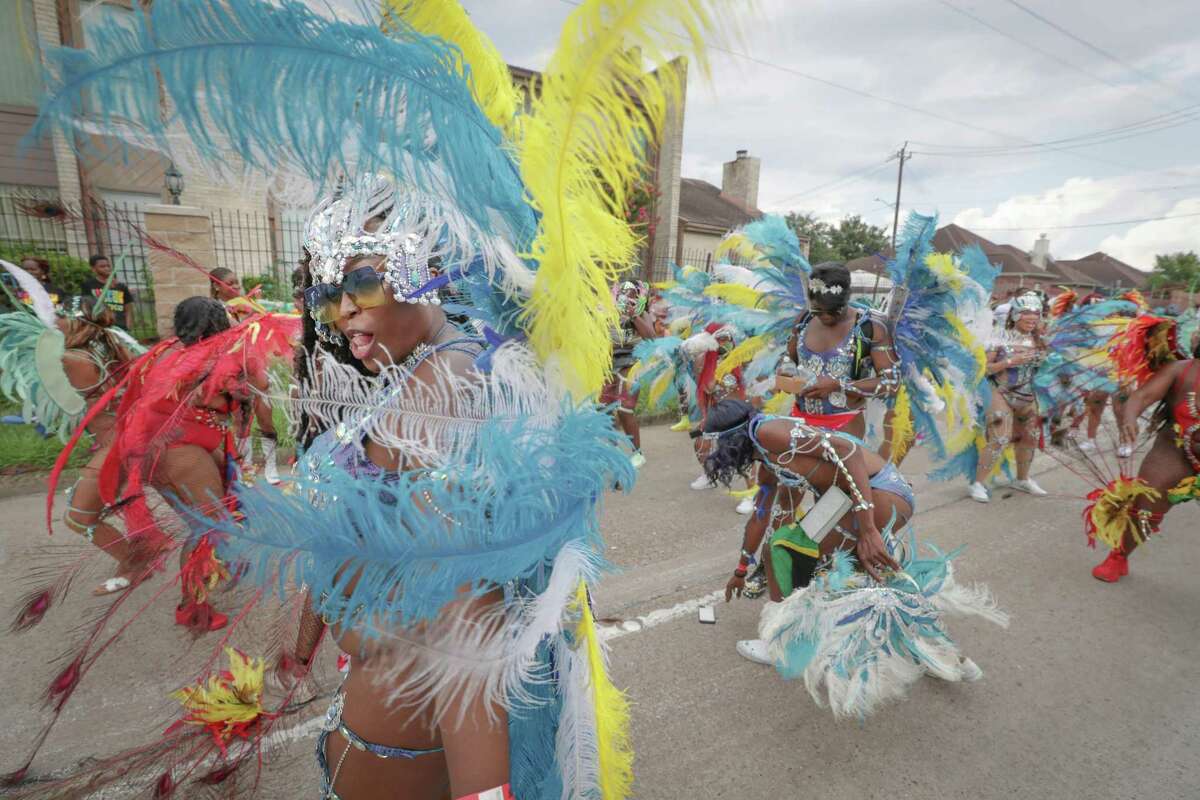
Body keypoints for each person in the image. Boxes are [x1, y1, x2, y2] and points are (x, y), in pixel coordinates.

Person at [703, 399, 1002, 717]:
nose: (714, 451)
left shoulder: (767, 432)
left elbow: (847, 449)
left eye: (716, 442)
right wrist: (740, 568)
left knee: (789, 552)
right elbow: (761, 516)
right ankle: (945, 656)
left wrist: (868, 527)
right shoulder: (766, 456)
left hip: (878, 495)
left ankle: (783, 646)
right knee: (859, 578)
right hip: (845, 500)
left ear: (731, 437)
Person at [1090, 351, 1200, 582]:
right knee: (1145, 508)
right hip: (1175, 449)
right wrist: (1130, 418)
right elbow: (1142, 396)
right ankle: (1119, 556)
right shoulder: (1181, 369)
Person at [779, 261, 898, 441]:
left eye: (834, 310)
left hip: (845, 427)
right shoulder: (804, 319)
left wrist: (839, 385)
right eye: (818, 310)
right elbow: (789, 357)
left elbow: (892, 383)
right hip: (799, 422)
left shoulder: (870, 327)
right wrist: (786, 370)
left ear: (848, 297)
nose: (825, 316)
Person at [969, 292, 1049, 502]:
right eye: (1026, 313)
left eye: (1035, 313)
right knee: (1000, 437)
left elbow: (1047, 370)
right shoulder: (997, 338)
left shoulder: (1040, 340)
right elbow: (984, 369)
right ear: (1015, 315)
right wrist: (1010, 362)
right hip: (1000, 392)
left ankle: (1022, 479)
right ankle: (978, 483)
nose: (1032, 317)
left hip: (1028, 395)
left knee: (1030, 437)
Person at [603, 278, 657, 468]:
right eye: (624, 292)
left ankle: (637, 453)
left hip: (632, 363)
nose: (627, 296)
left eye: (632, 293)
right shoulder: (607, 311)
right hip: (608, 363)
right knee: (604, 411)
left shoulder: (643, 314)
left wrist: (634, 316)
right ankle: (611, 452)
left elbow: (651, 338)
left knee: (625, 408)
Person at [80, 254, 133, 330]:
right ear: (93, 269)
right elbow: (86, 306)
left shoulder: (121, 286)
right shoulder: (88, 285)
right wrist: (107, 288)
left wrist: (128, 326)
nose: (107, 268)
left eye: (108, 266)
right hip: (98, 326)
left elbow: (128, 308)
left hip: (120, 326)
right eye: (102, 266)